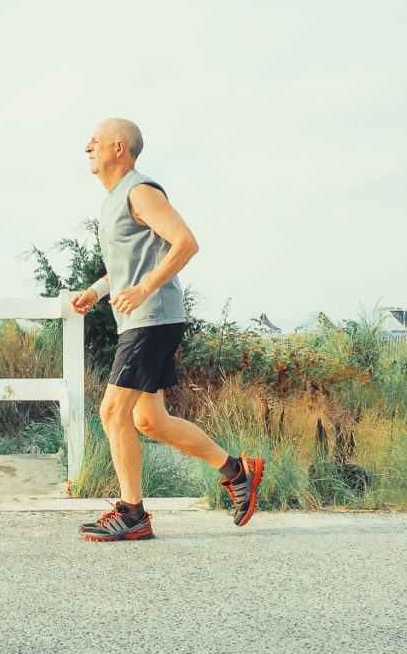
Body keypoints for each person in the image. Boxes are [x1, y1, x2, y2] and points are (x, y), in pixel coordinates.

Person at [70, 118, 264, 541]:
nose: (87, 146)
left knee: (112, 412)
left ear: (119, 147)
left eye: (96, 140)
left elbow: (185, 242)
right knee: (149, 420)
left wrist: (143, 289)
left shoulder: (140, 190)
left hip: (152, 319)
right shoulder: (114, 199)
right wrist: (98, 290)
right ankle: (236, 470)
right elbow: (130, 264)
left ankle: (132, 514)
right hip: (144, 319)